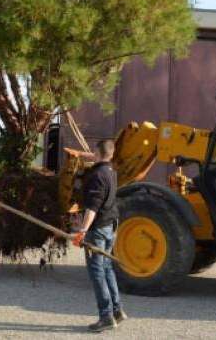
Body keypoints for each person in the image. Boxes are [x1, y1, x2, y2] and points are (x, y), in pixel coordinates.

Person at [72, 139, 127, 333]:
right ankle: (117, 311)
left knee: (97, 272)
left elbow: (92, 208)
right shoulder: (111, 172)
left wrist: (82, 231)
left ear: (97, 152)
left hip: (98, 229)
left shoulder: (96, 176)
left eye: (93, 152)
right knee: (107, 268)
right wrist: (81, 154)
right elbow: (100, 158)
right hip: (112, 225)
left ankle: (106, 317)